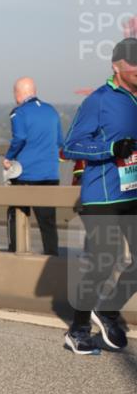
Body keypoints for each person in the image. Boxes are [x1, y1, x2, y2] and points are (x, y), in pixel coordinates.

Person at [62, 38, 137, 354]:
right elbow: (70, 146)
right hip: (102, 195)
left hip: (132, 193)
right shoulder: (99, 100)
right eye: (133, 63)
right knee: (105, 262)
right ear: (116, 66)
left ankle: (107, 310)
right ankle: (78, 329)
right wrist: (109, 148)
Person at [2, 77, 63, 255]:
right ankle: (52, 259)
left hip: (26, 175)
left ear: (18, 93)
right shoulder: (52, 111)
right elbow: (60, 141)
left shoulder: (18, 113)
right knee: (48, 222)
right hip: (51, 175)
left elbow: (19, 138)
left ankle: (15, 254)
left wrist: (8, 157)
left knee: (15, 215)